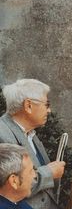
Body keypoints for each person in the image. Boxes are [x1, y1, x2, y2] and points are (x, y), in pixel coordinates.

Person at [0, 79, 64, 209]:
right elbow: (14, 183)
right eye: (47, 104)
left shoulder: (29, 131)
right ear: (28, 105)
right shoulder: (3, 135)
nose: (49, 110)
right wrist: (49, 173)